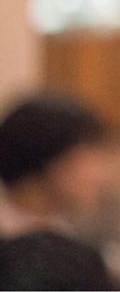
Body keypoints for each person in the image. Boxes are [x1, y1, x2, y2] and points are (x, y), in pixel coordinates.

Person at [0, 93, 108, 240]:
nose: (101, 177)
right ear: (48, 162)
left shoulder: (73, 242)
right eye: (87, 158)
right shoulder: (11, 241)